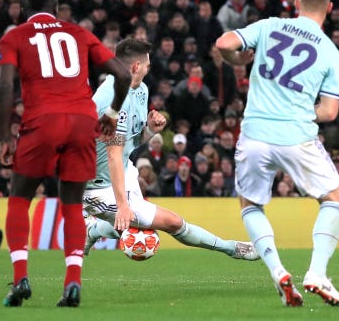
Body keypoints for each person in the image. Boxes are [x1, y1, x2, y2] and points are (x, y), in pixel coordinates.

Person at [0, 0, 132, 308]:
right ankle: (72, 284)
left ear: (24, 9)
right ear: (56, 8)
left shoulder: (14, 36)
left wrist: (3, 137)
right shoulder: (79, 33)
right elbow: (123, 76)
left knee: (19, 199)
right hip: (83, 123)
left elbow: (4, 87)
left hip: (41, 121)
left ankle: (20, 279)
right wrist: (111, 113)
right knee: (72, 204)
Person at [216, 0, 339, 307]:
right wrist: (300, 109)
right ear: (329, 8)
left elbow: (223, 43)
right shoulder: (330, 51)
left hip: (255, 133)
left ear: (296, 3)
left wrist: (237, 61)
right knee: (332, 198)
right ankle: (316, 272)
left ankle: (277, 270)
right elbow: (330, 111)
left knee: (250, 205)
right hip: (297, 136)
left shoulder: (269, 25)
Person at [82, 38, 259, 264]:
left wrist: (149, 130)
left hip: (121, 170)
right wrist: (123, 205)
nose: (150, 66)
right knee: (170, 222)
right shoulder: (113, 97)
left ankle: (93, 230)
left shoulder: (140, 89)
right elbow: (113, 154)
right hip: (95, 185)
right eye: (147, 63)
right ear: (136, 67)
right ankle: (232, 248)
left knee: (129, 227)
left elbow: (129, 145)